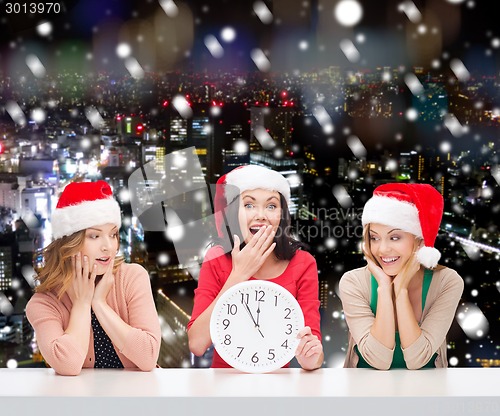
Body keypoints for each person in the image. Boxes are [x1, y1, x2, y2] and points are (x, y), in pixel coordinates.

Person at [188, 165, 323, 370]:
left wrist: (310, 357)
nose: (261, 215)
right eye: (249, 205)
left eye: (271, 206)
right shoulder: (216, 258)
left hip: (279, 387)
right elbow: (197, 344)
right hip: (223, 384)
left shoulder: (303, 263)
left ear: (281, 215)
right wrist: (239, 274)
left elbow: (314, 352)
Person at [26, 181, 161, 376]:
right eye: (94, 236)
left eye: (113, 234)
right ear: (69, 242)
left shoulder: (131, 278)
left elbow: (148, 357)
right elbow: (68, 366)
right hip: (81, 403)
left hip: (137, 398)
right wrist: (82, 303)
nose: (108, 246)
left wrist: (99, 303)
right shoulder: (44, 304)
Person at [339, 183, 464, 370]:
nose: (382, 249)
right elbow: (378, 360)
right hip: (364, 393)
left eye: (395, 237)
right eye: (374, 238)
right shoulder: (353, 282)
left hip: (427, 393)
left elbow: (417, 360)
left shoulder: (447, 282)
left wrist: (401, 290)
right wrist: (383, 286)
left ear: (419, 240)